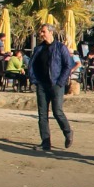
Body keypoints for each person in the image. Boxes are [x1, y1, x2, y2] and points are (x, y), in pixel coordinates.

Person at [29, 22, 76, 151]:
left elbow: (68, 65)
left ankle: (68, 132)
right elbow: (32, 65)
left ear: (51, 32)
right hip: (42, 85)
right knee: (42, 115)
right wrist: (34, 80)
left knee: (57, 111)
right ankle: (45, 143)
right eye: (41, 32)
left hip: (56, 84)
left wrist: (60, 81)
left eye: (43, 31)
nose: (41, 34)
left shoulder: (60, 47)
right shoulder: (38, 49)